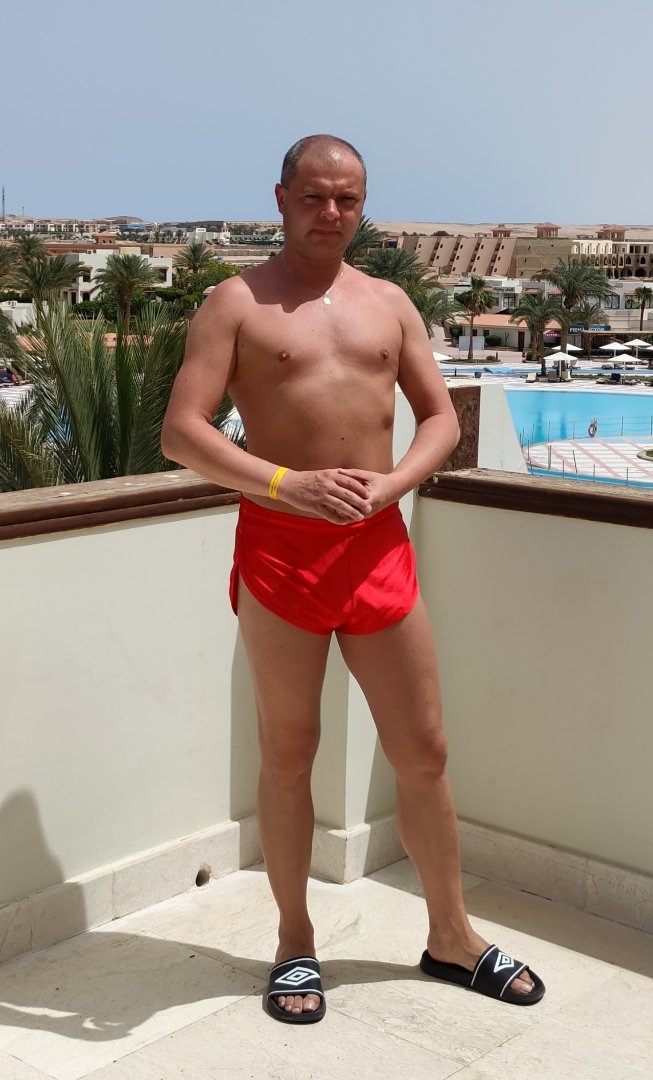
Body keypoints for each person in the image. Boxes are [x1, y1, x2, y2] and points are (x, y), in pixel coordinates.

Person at [161, 134, 544, 1023]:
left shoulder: (389, 303)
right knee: (288, 755)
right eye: (313, 197)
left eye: (347, 199)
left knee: (425, 751)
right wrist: (286, 485)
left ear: (362, 205)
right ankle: (295, 944)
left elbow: (440, 419)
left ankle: (450, 937)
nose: (330, 213)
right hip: (280, 551)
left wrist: (395, 484)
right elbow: (184, 432)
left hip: (378, 549)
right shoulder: (235, 303)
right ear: (280, 198)